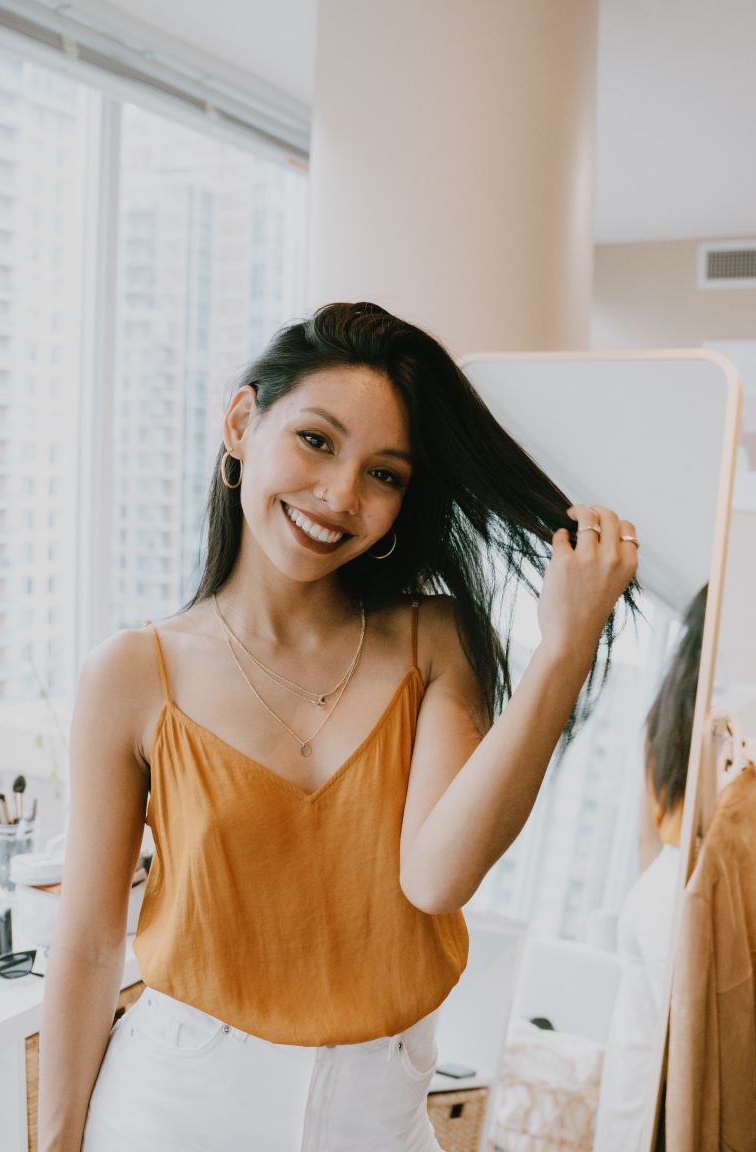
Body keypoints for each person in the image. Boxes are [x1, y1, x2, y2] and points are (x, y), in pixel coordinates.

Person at [38, 302, 639, 1152]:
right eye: (316, 440)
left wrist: (564, 649)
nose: (340, 496)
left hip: (378, 1113)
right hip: (175, 1102)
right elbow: (91, 947)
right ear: (243, 422)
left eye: (384, 474)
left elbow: (436, 878)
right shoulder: (133, 674)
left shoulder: (436, 640)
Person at [593, 584, 708, 1152]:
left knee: (636, 1073)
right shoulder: (729, 711)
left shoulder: (668, 710)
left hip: (656, 884)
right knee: (690, 1079)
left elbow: (645, 834)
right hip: (692, 885)